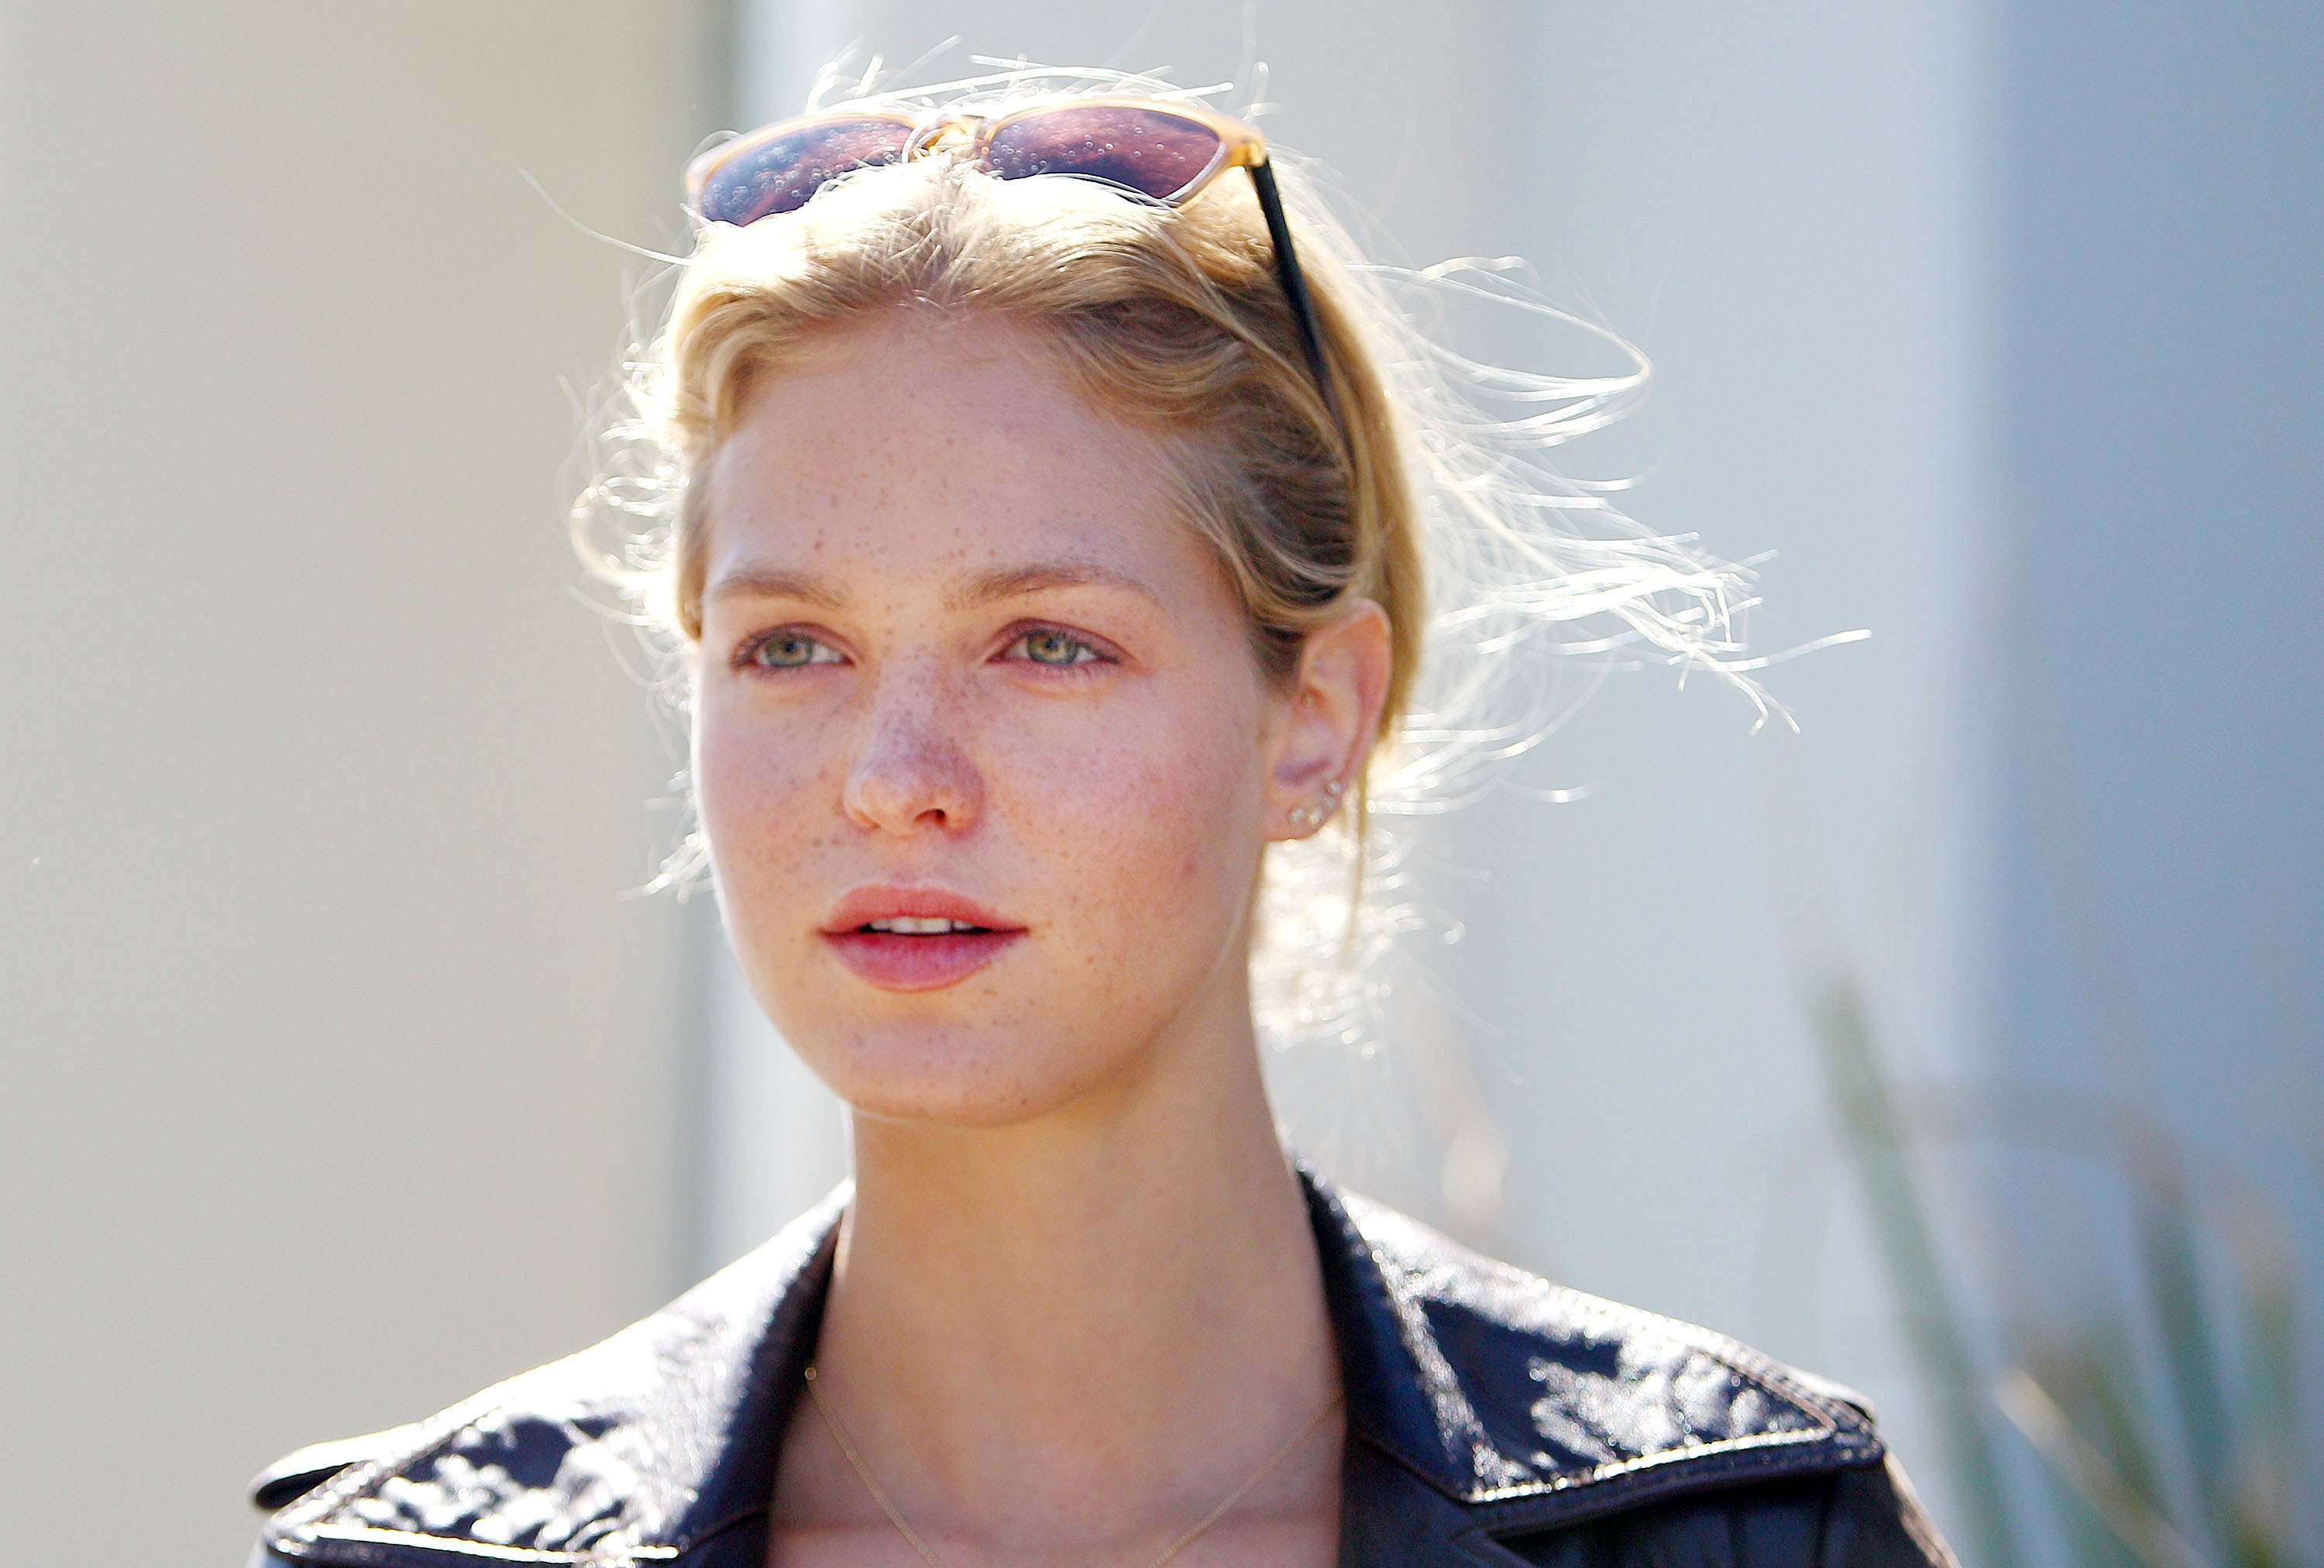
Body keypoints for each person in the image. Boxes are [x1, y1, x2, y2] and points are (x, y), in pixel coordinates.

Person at [248, 71, 1958, 1568]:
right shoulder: (411, 1561)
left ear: (1316, 720)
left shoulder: (1738, 1537)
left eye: (1046, 642)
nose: (893, 771)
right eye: (793, 646)